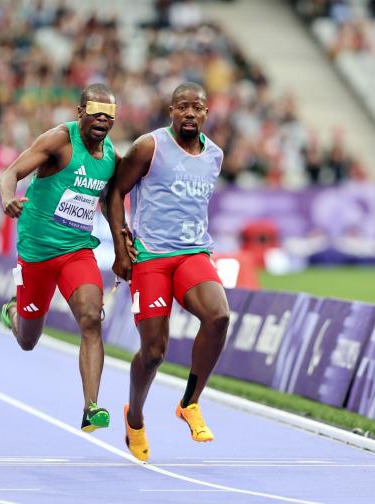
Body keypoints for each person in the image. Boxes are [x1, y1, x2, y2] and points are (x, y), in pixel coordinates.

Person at [107, 82, 230, 461]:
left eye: (197, 107)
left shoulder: (215, 155)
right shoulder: (150, 146)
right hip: (151, 256)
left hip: (193, 252)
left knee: (219, 316)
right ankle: (136, 418)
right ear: (171, 111)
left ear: (207, 113)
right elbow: (113, 192)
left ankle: (189, 402)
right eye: (182, 107)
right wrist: (120, 246)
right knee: (154, 352)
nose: (190, 113)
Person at [0, 83, 121, 433]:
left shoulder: (111, 157)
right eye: (96, 112)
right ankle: (13, 311)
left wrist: (124, 250)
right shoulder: (59, 141)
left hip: (76, 251)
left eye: (109, 114)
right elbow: (10, 173)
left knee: (91, 318)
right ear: (80, 112)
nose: (102, 120)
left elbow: (111, 207)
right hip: (36, 252)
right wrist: (8, 198)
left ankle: (91, 407)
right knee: (27, 341)